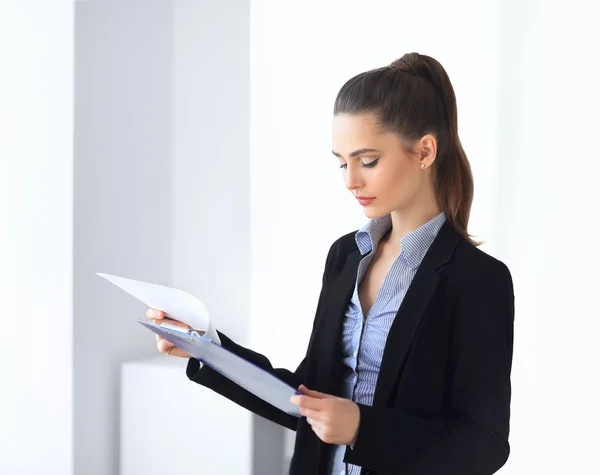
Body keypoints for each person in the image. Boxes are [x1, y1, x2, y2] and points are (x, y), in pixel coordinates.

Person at [147, 52, 515, 475]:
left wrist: (362, 428)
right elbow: (307, 400)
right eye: (342, 162)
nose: (350, 180)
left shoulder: (477, 280)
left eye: (368, 161)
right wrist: (208, 349)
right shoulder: (346, 256)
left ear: (425, 151)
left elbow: (484, 444)